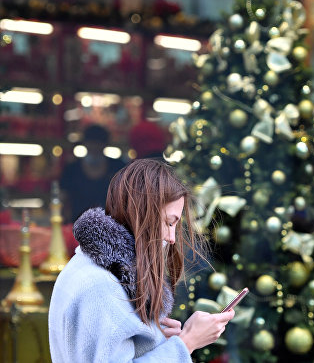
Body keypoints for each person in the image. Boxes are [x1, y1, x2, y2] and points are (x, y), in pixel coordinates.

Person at [49, 159, 235, 362]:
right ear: (144, 215)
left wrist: (152, 337)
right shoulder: (102, 284)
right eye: (169, 223)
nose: (172, 238)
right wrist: (187, 342)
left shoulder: (99, 269)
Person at [59, 124, 126, 221]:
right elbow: (61, 200)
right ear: (85, 144)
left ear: (105, 145)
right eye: (91, 143)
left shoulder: (118, 167)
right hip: (77, 227)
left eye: (98, 144)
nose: (94, 147)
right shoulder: (71, 170)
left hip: (112, 227)